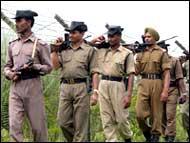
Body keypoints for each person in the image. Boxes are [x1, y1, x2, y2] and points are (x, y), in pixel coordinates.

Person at [3, 10, 52, 142]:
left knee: (38, 127)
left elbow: (49, 68)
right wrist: (9, 74)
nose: (16, 23)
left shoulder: (41, 45)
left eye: (19, 20)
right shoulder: (12, 44)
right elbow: (6, 66)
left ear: (29, 22)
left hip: (33, 87)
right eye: (16, 21)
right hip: (15, 87)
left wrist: (34, 66)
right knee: (14, 125)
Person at [50, 21, 99, 142]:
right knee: (63, 122)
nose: (70, 35)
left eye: (74, 32)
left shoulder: (89, 50)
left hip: (81, 87)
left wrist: (95, 92)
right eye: (69, 33)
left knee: (81, 124)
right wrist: (54, 50)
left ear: (82, 33)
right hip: (65, 87)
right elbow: (55, 66)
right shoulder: (64, 49)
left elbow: (95, 72)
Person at [90, 25, 135, 142]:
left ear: (119, 37)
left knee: (121, 118)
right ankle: (111, 140)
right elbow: (86, 46)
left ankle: (127, 138)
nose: (110, 39)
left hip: (118, 85)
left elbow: (131, 74)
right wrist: (95, 40)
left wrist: (128, 95)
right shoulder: (102, 49)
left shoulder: (127, 53)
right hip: (103, 83)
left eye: (113, 36)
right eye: (108, 36)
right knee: (106, 117)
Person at [135, 27, 171, 142]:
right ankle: (147, 132)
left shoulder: (161, 53)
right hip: (144, 82)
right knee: (139, 113)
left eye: (149, 37)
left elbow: (166, 73)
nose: (146, 39)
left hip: (157, 82)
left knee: (157, 113)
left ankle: (155, 136)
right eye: (145, 37)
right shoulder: (141, 53)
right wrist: (135, 56)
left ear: (155, 38)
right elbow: (136, 71)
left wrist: (165, 91)